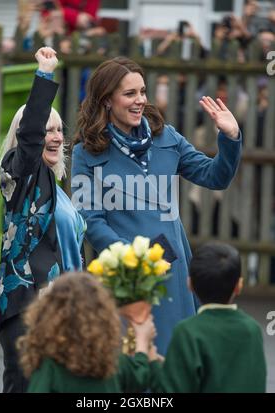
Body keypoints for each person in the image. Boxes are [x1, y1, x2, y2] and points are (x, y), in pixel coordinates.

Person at [71, 56, 242, 355]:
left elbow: (215, 177)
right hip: (126, 277)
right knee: (133, 366)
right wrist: (134, 259)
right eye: (129, 94)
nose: (140, 101)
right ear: (107, 100)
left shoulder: (167, 136)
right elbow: (91, 222)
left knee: (176, 363)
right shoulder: (85, 153)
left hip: (173, 269)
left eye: (142, 91)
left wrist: (230, 137)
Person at [0, 47, 86, 393]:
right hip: (27, 308)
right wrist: (44, 75)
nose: (56, 136)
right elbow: (30, 142)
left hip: (64, 311)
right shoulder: (17, 175)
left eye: (60, 129)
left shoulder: (58, 191)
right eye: (47, 129)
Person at [149, 242, 267, 393]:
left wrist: (151, 358)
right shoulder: (252, 329)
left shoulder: (187, 331)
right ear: (239, 286)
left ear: (189, 284)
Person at [17, 272, 155, 393]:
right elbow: (140, 378)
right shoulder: (113, 361)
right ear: (104, 316)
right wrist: (142, 341)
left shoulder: (49, 366)